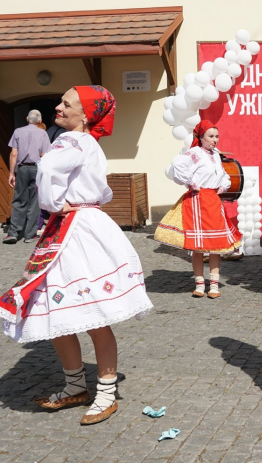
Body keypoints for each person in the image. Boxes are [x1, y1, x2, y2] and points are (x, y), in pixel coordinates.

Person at [0, 86, 153, 425]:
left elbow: (48, 170)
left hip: (75, 228)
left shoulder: (73, 141)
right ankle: (78, 387)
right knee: (57, 309)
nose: (58, 107)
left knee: (87, 313)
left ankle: (104, 392)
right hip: (77, 224)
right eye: (61, 102)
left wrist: (55, 204)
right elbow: (98, 185)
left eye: (66, 104)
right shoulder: (83, 142)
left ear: (86, 115)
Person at [155, 120, 242, 298]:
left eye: (217, 136)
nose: (215, 140)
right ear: (200, 137)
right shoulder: (195, 153)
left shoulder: (216, 154)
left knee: (215, 245)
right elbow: (178, 166)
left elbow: (223, 175)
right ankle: (200, 284)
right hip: (197, 200)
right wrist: (192, 183)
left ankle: (214, 285)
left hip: (213, 200)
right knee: (198, 247)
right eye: (210, 136)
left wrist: (223, 186)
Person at [4, 109, 51, 244]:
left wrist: (12, 173)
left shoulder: (18, 132)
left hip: (23, 168)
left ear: (27, 118)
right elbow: (45, 155)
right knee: (35, 202)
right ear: (40, 121)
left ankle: (13, 232)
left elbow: (13, 154)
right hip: (37, 168)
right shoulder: (43, 133)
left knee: (19, 200)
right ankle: (30, 235)